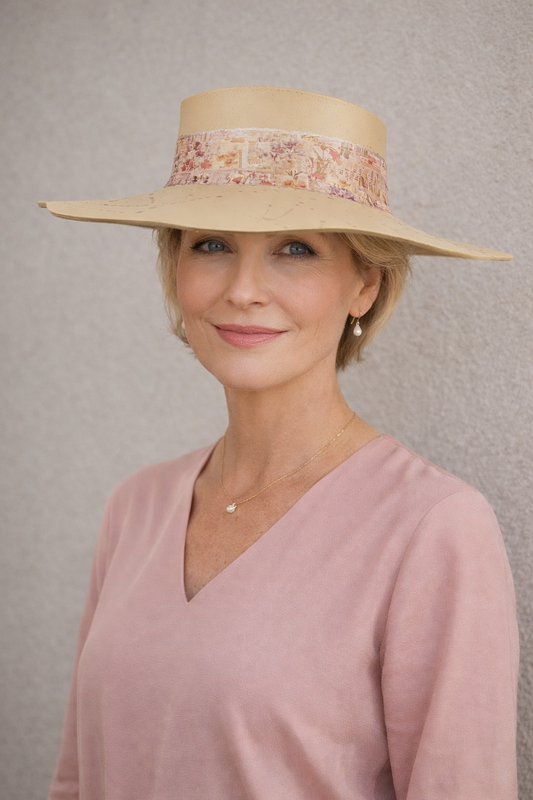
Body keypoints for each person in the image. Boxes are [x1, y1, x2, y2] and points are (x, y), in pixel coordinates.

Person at [40, 86, 519, 800]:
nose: (243, 289)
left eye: (295, 249)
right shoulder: (134, 508)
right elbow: (78, 782)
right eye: (211, 246)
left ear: (364, 283)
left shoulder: (431, 529)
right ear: (176, 268)